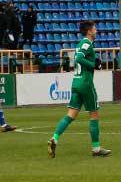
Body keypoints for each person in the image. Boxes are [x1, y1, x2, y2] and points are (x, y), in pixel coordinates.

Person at [47, 21, 111, 158]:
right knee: (94, 115)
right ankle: (96, 149)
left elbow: (79, 57)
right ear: (89, 31)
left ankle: (54, 138)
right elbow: (78, 58)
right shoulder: (86, 43)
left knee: (71, 115)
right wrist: (93, 65)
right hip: (86, 84)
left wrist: (93, 63)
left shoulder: (81, 44)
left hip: (76, 83)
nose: (96, 31)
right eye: (95, 28)